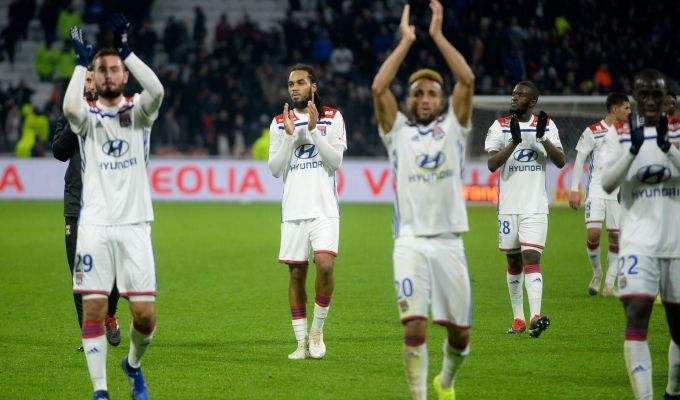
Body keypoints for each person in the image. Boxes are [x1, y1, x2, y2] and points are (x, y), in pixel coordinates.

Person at [371, 1, 474, 398]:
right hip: (409, 241)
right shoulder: (396, 131)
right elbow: (379, 88)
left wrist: (437, 36)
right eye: (418, 93)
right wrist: (406, 41)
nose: (426, 97)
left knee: (460, 335)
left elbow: (466, 79)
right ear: (410, 101)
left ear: (442, 100)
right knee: (414, 326)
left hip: (450, 241)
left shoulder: (454, 128)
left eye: (432, 92)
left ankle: (445, 382)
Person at [63, 14, 164, 400]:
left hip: (136, 225)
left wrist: (128, 50)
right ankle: (101, 391)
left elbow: (157, 90)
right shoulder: (87, 117)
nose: (107, 75)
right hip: (95, 226)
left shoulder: (139, 113)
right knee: (92, 308)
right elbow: (71, 107)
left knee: (145, 316)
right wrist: (78, 63)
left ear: (124, 75)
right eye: (100, 69)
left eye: (114, 69)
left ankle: (132, 366)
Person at [601, 68, 680, 400]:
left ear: (665, 98)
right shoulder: (619, 134)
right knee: (636, 317)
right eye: (643, 94)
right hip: (637, 245)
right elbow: (607, 183)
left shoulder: (676, 131)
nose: (649, 100)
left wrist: (668, 148)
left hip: (676, 245)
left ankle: (673, 391)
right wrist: (633, 150)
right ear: (635, 97)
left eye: (655, 94)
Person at [267, 63, 347, 360]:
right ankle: (301, 342)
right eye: (291, 84)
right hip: (293, 211)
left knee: (325, 265)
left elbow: (335, 162)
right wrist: (289, 137)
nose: (294, 87)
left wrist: (313, 131)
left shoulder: (332, 117)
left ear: (313, 86)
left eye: (300, 82)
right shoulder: (278, 122)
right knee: (297, 274)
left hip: (324, 208)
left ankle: (317, 332)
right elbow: (275, 170)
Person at [485, 80, 566, 338]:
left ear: (532, 102)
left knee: (531, 257)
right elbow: (491, 164)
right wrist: (513, 144)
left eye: (520, 95)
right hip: (508, 207)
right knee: (513, 260)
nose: (514, 97)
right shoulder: (500, 126)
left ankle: (535, 316)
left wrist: (541, 138)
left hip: (535, 207)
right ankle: (518, 318)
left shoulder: (546, 125)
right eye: (513, 93)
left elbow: (561, 161)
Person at [52, 64, 122, 352]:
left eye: (96, 80)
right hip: (77, 205)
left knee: (116, 274)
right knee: (80, 275)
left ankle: (109, 313)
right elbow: (59, 151)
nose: (92, 85)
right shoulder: (72, 111)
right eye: (88, 80)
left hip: (108, 206)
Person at [568, 92, 631, 296]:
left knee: (616, 237)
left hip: (618, 193)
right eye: (626, 108)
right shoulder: (592, 131)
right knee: (593, 234)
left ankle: (610, 285)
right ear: (614, 109)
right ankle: (597, 274)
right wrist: (574, 189)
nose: (629, 112)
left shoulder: (629, 133)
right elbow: (579, 161)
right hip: (596, 189)